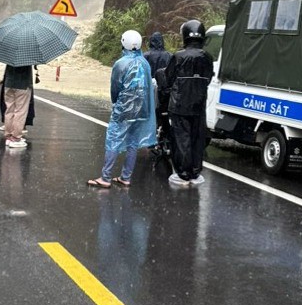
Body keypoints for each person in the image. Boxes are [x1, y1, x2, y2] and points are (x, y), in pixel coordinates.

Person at [87, 30, 157, 189]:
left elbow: (115, 87)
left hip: (124, 109)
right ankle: (126, 177)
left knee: (113, 139)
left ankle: (105, 178)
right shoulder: (145, 63)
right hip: (142, 110)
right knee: (133, 141)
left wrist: (116, 103)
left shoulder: (121, 63)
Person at [165, 19, 215, 187]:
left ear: (185, 35)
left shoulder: (178, 56)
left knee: (181, 139)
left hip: (179, 105)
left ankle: (183, 173)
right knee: (197, 139)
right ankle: (195, 171)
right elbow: (208, 79)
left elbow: (168, 78)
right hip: (199, 105)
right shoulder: (207, 57)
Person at [144, 32, 172, 154]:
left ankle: (150, 137)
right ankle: (165, 136)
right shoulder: (169, 56)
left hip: (149, 88)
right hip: (164, 90)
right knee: (163, 113)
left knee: (151, 113)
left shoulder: (146, 56)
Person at [2, 64, 34, 148]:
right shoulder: (27, 56)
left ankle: (8, 136)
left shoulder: (9, 53)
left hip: (8, 83)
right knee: (20, 111)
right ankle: (16, 137)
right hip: (22, 84)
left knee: (9, 110)